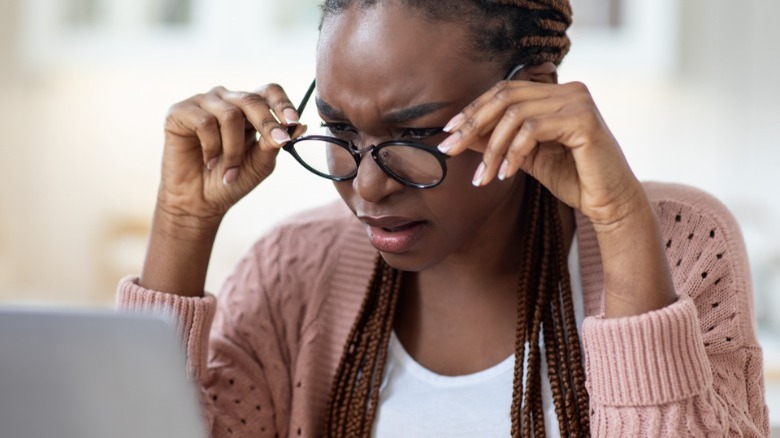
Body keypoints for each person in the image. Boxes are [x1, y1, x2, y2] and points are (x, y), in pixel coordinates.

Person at [117, 0, 769, 436]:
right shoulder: (293, 267)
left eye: (417, 133)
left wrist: (622, 224)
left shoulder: (681, 242)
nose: (367, 182)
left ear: (533, 95)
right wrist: (182, 222)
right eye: (339, 129)